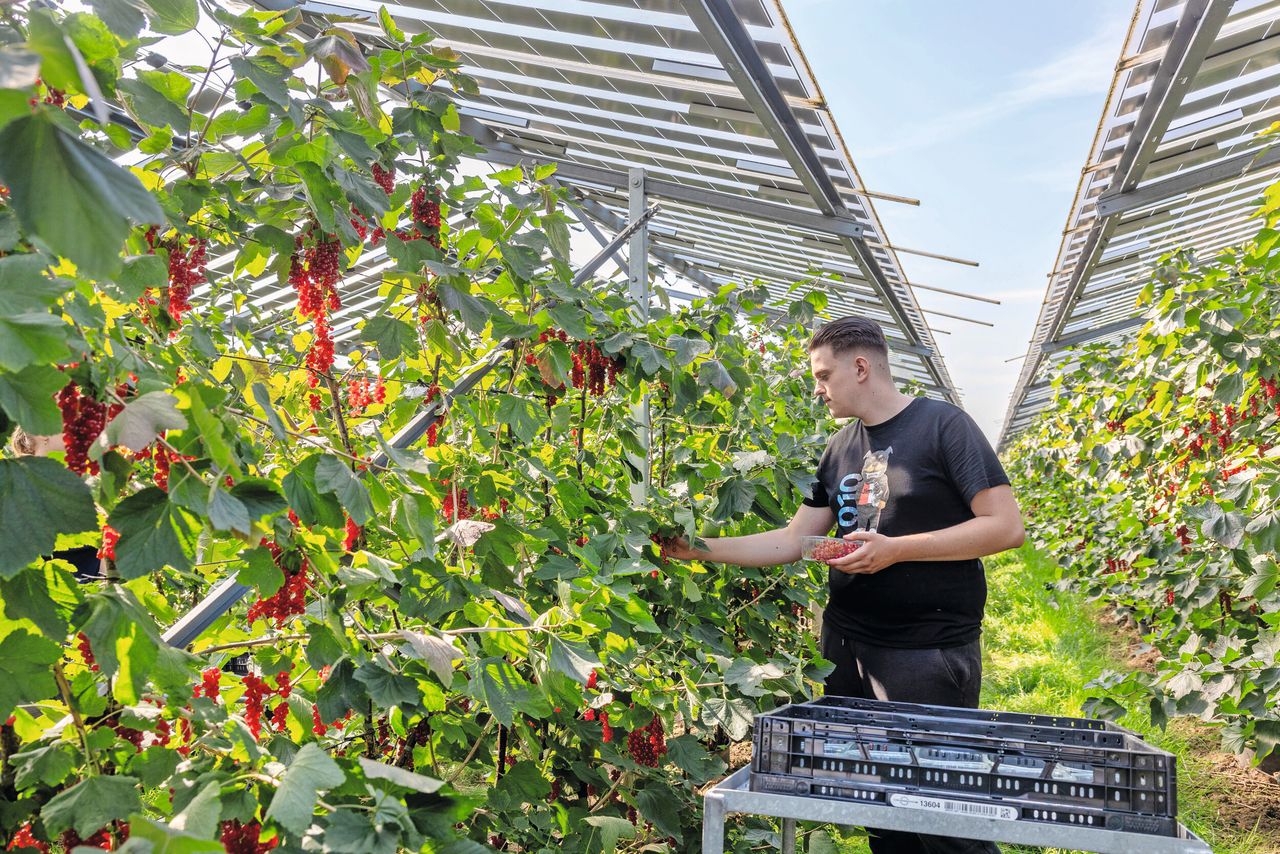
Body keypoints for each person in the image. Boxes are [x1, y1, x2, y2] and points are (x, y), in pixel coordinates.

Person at [667, 316, 1024, 854]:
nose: (817, 388)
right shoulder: (839, 448)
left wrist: (896, 550)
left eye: (823, 374)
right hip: (848, 646)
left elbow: (1005, 527)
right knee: (879, 805)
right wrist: (697, 549)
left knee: (945, 817)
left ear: (860, 367)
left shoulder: (944, 427)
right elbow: (793, 540)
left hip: (925, 651)